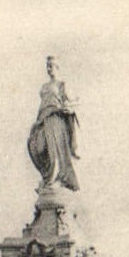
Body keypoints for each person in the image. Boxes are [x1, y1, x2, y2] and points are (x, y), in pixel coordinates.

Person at [27, 56, 80, 190]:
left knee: (55, 151)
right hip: (44, 119)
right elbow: (42, 104)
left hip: (57, 119)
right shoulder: (44, 87)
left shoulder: (61, 85)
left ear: (57, 67)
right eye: (48, 66)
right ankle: (48, 177)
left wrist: (69, 108)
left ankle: (56, 179)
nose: (49, 69)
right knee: (38, 147)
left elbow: (74, 101)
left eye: (52, 66)